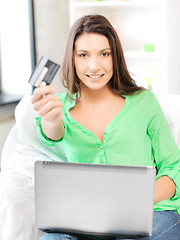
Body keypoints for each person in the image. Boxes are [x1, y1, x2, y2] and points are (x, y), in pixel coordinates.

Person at [31, 15, 180, 240]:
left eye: (105, 54)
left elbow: (173, 166)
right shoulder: (59, 109)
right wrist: (50, 119)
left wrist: (136, 201)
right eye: (83, 55)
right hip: (85, 223)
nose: (94, 66)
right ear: (72, 59)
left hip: (151, 215)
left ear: (115, 57)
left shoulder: (145, 102)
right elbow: (52, 133)